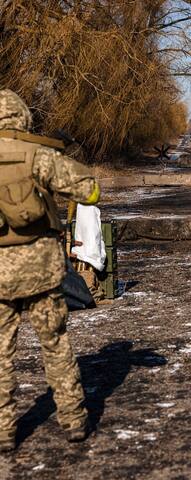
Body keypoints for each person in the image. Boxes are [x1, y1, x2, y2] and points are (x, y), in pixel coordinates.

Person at [0, 89, 100, 451]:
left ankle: (4, 431)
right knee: (55, 345)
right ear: (23, 118)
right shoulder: (37, 155)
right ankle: (74, 422)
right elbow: (89, 192)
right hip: (41, 269)